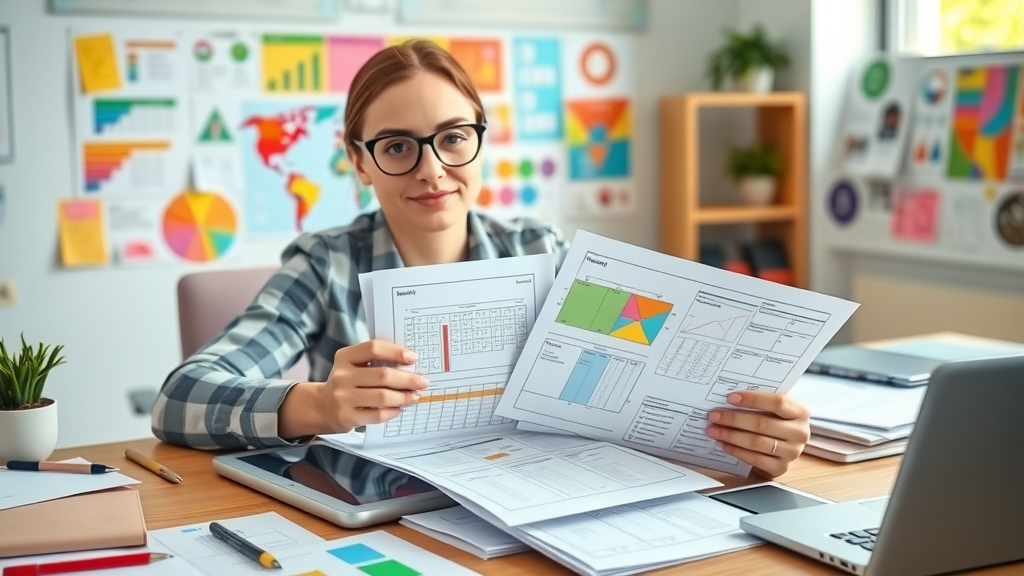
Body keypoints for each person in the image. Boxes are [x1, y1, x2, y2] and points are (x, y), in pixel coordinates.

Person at [152, 40, 810, 478]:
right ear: (358, 160)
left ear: (479, 139)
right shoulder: (326, 265)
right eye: (398, 147)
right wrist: (319, 406)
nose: (433, 170)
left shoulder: (543, 253)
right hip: (385, 511)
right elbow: (179, 400)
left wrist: (751, 444)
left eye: (452, 138)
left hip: (529, 503)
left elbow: (641, 389)